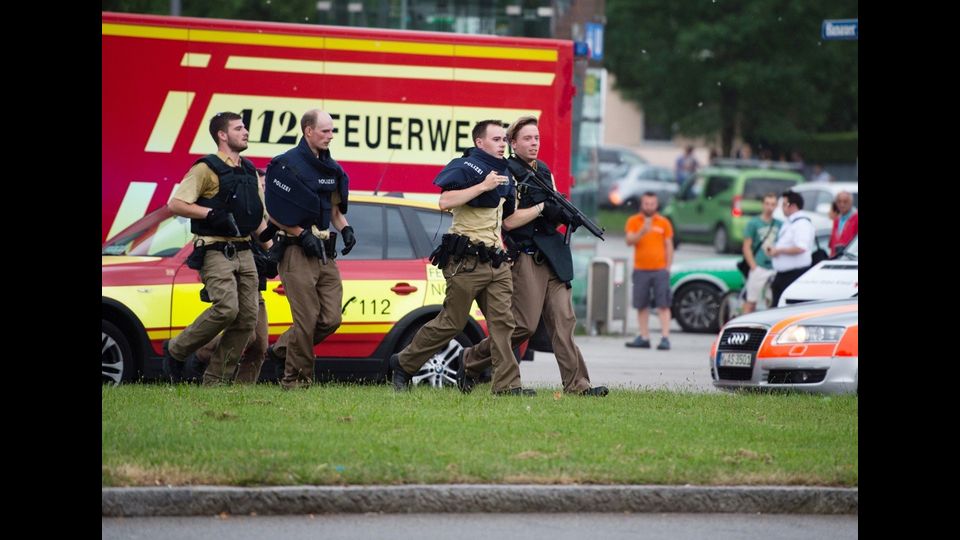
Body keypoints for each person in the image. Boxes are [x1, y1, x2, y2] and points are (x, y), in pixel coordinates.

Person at [457, 116, 608, 397]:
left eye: (536, 138)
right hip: (525, 256)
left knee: (564, 323)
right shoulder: (507, 172)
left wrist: (562, 214)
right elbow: (510, 221)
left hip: (553, 256)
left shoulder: (544, 171)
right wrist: (541, 207)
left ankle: (578, 385)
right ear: (513, 144)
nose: (534, 143)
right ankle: (471, 359)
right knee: (523, 325)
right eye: (527, 138)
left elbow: (552, 209)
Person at [390, 120, 530, 395]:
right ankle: (404, 364)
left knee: (504, 324)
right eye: (496, 139)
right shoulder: (465, 166)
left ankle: (507, 386)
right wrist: (482, 185)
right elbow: (445, 201)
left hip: (496, 262)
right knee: (452, 322)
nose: (503, 143)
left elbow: (507, 220)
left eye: (504, 139)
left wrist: (540, 208)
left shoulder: (507, 174)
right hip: (466, 261)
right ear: (480, 142)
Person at [162, 112, 266, 385]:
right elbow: (176, 204)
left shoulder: (249, 171)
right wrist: (209, 214)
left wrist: (271, 248)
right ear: (222, 135)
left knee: (246, 320)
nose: (245, 132)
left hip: (245, 251)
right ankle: (176, 350)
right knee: (227, 309)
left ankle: (215, 381)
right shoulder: (205, 169)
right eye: (238, 128)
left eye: (245, 128)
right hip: (215, 250)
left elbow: (256, 219)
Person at [263, 109, 357, 390]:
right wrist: (300, 233)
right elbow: (274, 212)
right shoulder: (285, 165)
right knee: (306, 320)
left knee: (330, 318)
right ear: (308, 131)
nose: (330, 136)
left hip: (325, 252)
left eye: (332, 131)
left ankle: (281, 350)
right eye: (325, 131)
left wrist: (346, 229)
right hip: (295, 252)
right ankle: (296, 380)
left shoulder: (332, 169)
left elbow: (335, 211)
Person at [188, 170, 279, 383]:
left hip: (256, 282)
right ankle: (202, 356)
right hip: (236, 276)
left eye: (265, 187)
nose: (263, 191)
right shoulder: (240, 210)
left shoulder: (267, 213)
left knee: (260, 345)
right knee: (248, 335)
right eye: (260, 186)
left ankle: (241, 392)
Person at [624, 192, 674, 351]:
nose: (649, 207)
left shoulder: (664, 222)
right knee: (641, 304)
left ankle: (665, 337)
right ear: (642, 204)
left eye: (652, 204)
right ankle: (644, 336)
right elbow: (629, 241)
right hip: (641, 269)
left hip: (660, 270)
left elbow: (669, 245)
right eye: (646, 204)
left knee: (663, 304)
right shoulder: (634, 221)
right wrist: (642, 231)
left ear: (656, 205)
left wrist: (668, 267)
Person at [766, 190, 815, 307]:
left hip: (794, 274)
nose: (782, 208)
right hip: (784, 274)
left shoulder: (802, 223)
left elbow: (801, 247)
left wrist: (779, 251)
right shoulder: (790, 222)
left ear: (792, 206)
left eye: (784, 204)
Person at [741, 193, 782, 314]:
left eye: (773, 204)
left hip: (774, 267)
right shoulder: (754, 223)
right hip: (759, 266)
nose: (770, 207)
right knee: (751, 300)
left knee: (772, 302)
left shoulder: (780, 224)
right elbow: (746, 246)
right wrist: (753, 266)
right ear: (763, 205)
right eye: (767, 204)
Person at [829, 191, 858, 256]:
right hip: (837, 258)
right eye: (839, 202)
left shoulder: (856, 218)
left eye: (845, 201)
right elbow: (833, 243)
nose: (842, 204)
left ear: (851, 202)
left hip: (851, 258)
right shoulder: (836, 219)